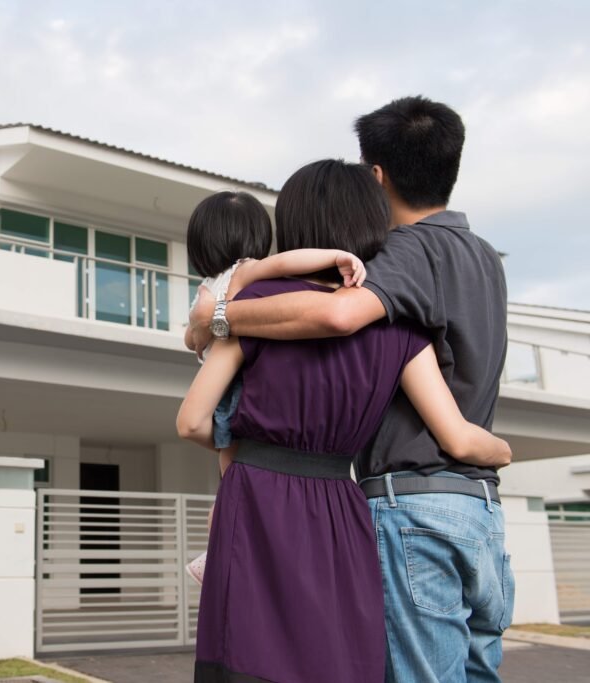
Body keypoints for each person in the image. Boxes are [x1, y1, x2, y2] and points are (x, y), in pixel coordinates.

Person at [188, 97, 513, 682]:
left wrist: (218, 316)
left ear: (377, 175)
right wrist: (498, 449)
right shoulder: (485, 257)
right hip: (478, 507)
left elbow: (336, 316)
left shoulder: (406, 251)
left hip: (410, 502)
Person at [182, 190, 367, 584]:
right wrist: (334, 256)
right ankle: (223, 549)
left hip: (224, 384)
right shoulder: (245, 271)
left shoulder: (210, 287)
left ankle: (218, 548)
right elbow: (286, 261)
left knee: (231, 477)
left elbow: (191, 339)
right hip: (242, 381)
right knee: (237, 477)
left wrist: (201, 329)